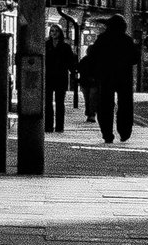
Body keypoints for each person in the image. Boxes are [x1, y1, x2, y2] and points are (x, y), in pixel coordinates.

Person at [81, 12, 137, 146]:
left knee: (105, 105)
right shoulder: (127, 40)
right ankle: (124, 132)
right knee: (125, 105)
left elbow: (92, 55)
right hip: (124, 77)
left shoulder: (103, 39)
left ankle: (107, 134)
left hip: (106, 76)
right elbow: (135, 58)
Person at [43, 21, 76, 135]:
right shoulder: (46, 45)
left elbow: (70, 61)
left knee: (60, 102)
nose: (54, 33)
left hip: (61, 77)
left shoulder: (65, 46)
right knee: (47, 102)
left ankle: (59, 126)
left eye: (56, 31)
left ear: (60, 33)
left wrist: (73, 72)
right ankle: (48, 126)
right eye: (52, 31)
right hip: (48, 77)